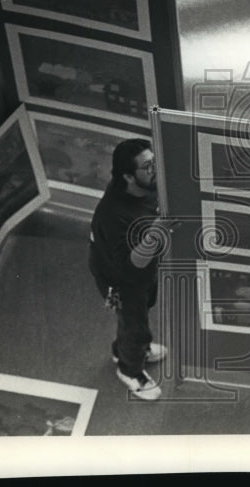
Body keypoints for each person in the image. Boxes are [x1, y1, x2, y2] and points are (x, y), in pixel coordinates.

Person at [89, 138, 170, 401]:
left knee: (135, 317)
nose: (155, 170)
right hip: (122, 280)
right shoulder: (112, 214)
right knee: (134, 324)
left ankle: (123, 349)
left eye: (154, 162)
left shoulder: (144, 187)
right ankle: (129, 369)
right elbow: (130, 264)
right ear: (128, 176)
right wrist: (157, 232)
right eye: (148, 167)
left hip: (143, 272)